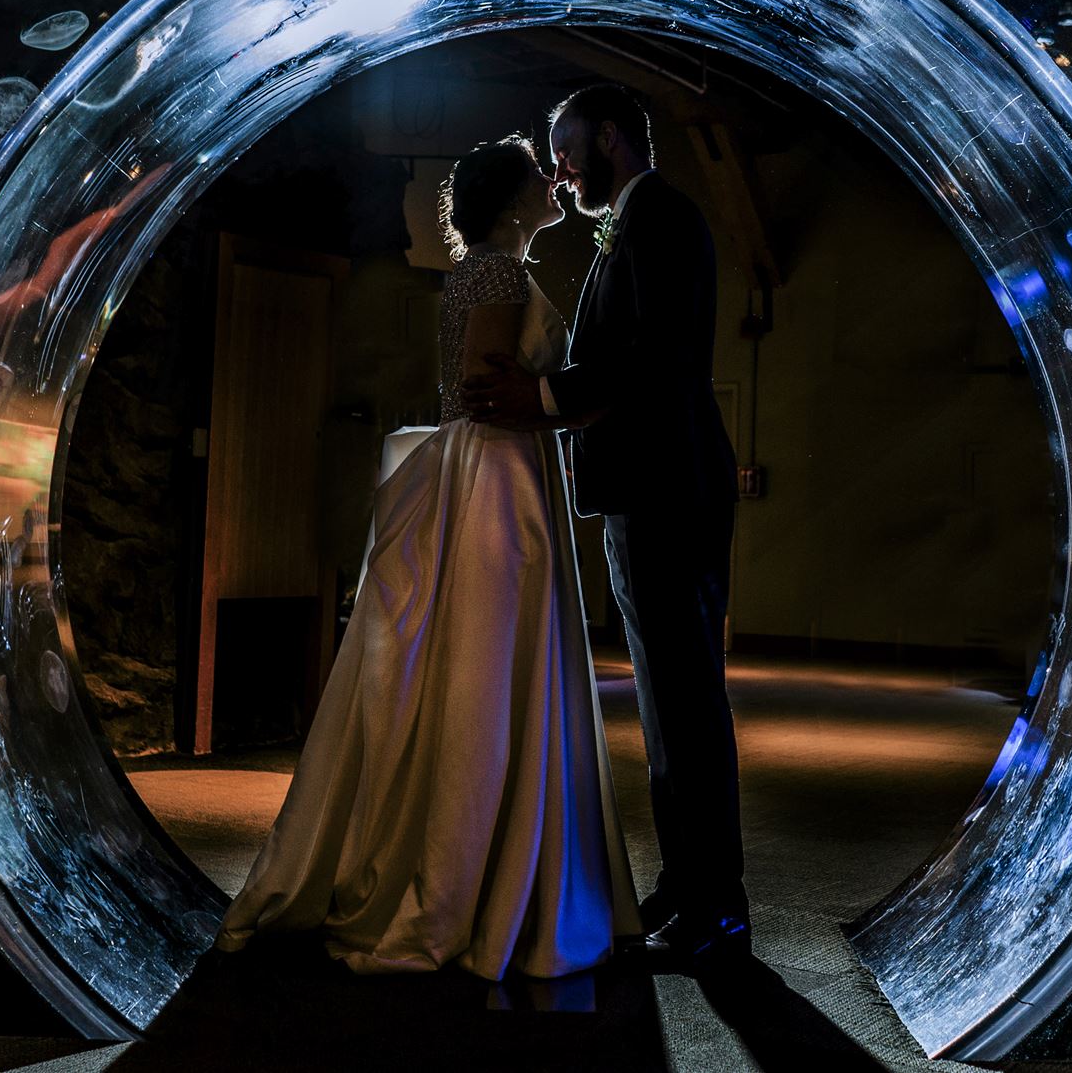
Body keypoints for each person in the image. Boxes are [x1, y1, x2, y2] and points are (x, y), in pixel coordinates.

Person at [213, 134, 641, 980]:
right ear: (516, 200)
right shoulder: (495, 272)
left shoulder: (488, 267)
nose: (554, 181)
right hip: (500, 479)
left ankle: (488, 860)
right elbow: (491, 391)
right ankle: (471, 879)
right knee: (490, 666)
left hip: (492, 466)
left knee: (478, 667)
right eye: (539, 174)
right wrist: (581, 411)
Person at [462, 83, 748, 970]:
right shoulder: (637, 218)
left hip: (669, 487)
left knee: (688, 702)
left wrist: (539, 398)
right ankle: (686, 886)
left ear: (612, 136)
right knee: (667, 704)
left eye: (569, 147)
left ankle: (716, 908)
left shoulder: (660, 217)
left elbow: (647, 359)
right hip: (648, 488)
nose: (560, 168)